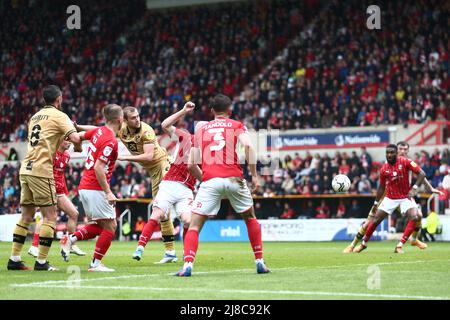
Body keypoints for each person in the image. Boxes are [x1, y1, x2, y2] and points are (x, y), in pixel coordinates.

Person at [176, 94, 270, 277]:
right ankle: (259, 261)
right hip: (235, 178)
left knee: (194, 226)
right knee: (250, 218)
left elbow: (190, 164)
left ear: (211, 111)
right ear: (230, 110)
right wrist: (254, 176)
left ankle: (188, 265)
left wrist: (205, 178)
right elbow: (249, 147)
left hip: (210, 180)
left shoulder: (201, 130)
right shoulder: (236, 125)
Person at [75, 106, 177, 263]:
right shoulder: (121, 129)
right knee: (163, 212)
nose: (137, 119)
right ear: (125, 120)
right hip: (152, 171)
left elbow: (149, 156)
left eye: (138, 116)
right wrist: (78, 126)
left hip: (162, 164)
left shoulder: (146, 130)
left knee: (161, 207)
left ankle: (158, 248)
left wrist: (124, 157)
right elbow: (99, 129)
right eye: (133, 118)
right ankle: (170, 252)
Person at [7, 85, 82, 271]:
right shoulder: (59, 115)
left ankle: (14, 259)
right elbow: (75, 139)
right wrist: (79, 146)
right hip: (42, 170)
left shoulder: (35, 116)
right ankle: (41, 262)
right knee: (50, 217)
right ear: (59, 99)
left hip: (26, 168)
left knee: (26, 216)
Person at [132, 102, 203, 261]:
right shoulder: (186, 137)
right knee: (157, 214)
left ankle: (187, 253)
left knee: (188, 220)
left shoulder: (209, 151)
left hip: (186, 190)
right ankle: (140, 248)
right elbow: (165, 124)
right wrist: (183, 111)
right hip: (170, 183)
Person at [343, 141, 444, 253]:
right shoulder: (386, 166)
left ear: (407, 151)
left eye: (405, 149)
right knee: (371, 222)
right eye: (401, 149)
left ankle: (412, 240)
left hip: (405, 195)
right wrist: (376, 203)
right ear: (397, 150)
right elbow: (381, 186)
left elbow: (422, 175)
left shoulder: (408, 162)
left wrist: (428, 188)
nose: (403, 151)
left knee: (418, 216)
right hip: (388, 195)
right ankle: (353, 245)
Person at [60, 104, 123, 272]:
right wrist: (108, 192)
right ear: (120, 119)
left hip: (85, 186)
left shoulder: (99, 131)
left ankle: (70, 239)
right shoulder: (110, 139)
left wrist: (77, 131)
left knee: (99, 226)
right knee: (111, 227)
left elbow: (79, 136)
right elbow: (98, 167)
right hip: (96, 188)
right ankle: (95, 264)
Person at [28, 140, 86, 258]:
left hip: (59, 191)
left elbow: (61, 174)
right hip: (48, 189)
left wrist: (64, 191)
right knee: (48, 218)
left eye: (70, 141)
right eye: (67, 140)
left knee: (74, 214)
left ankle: (71, 244)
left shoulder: (66, 156)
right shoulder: (51, 154)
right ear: (59, 140)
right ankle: (34, 246)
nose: (69, 143)